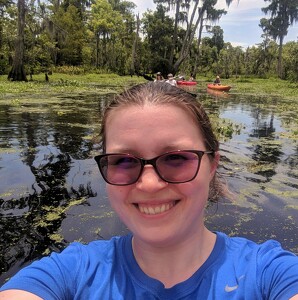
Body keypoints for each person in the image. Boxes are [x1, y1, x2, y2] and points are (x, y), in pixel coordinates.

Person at [0, 82, 298, 299]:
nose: (150, 183)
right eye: (124, 161)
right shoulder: (73, 274)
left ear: (211, 165)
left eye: (176, 157)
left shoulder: (268, 275)